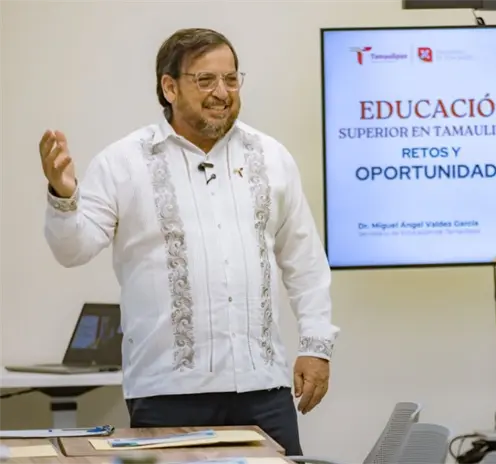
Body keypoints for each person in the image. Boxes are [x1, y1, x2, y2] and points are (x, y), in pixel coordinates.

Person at [37, 28, 339, 455]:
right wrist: (65, 196)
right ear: (169, 86)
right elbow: (73, 250)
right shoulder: (125, 161)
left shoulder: (271, 157)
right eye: (205, 80)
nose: (222, 92)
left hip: (263, 390)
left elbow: (304, 262)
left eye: (231, 79)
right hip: (168, 393)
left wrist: (316, 346)